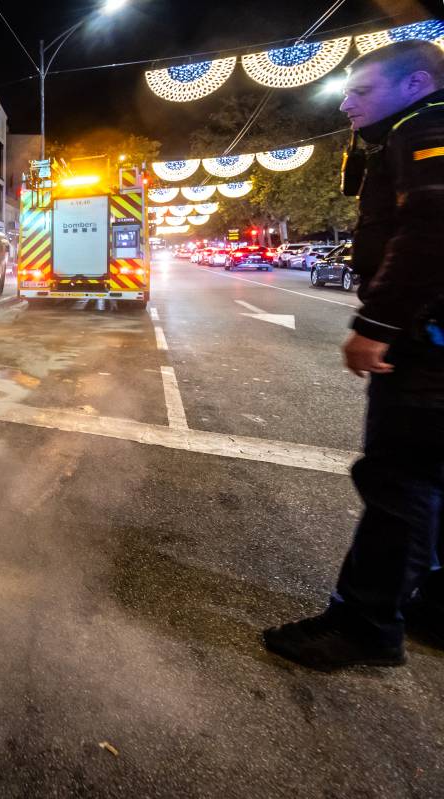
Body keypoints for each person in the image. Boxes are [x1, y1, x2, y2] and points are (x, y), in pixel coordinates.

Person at [264, 40, 444, 671]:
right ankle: (426, 600)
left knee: (399, 484)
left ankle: (366, 624)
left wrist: (378, 324)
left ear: (417, 83)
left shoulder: (427, 132)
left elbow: (431, 230)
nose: (344, 103)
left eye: (360, 91)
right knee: (428, 483)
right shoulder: (412, 132)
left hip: (427, 349)